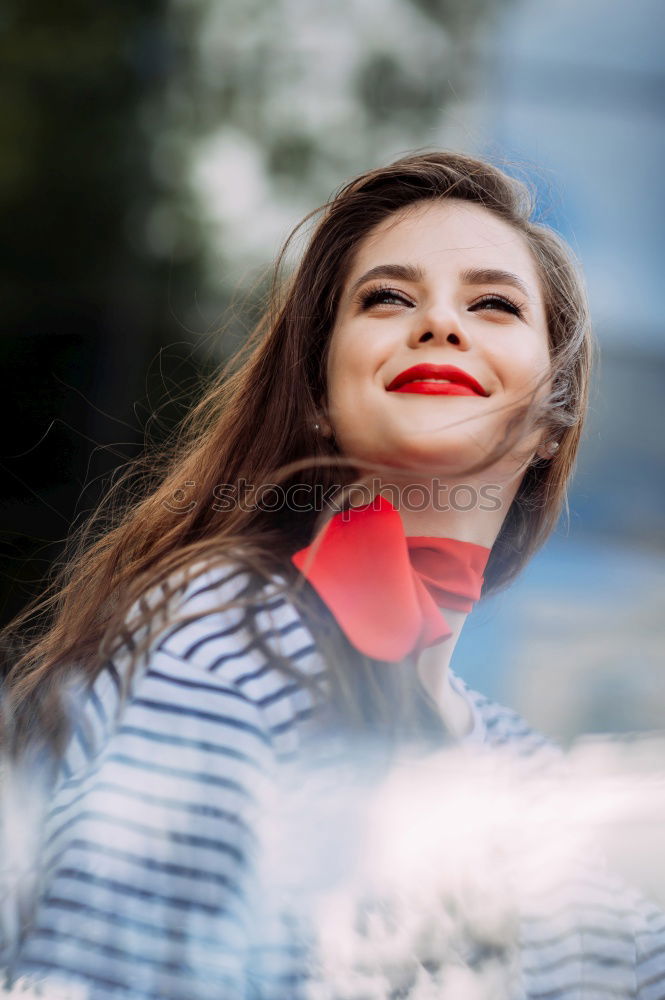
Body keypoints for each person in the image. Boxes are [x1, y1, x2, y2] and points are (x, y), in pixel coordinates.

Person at [2, 151, 664, 999]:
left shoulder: (525, 782)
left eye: (492, 303)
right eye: (387, 297)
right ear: (319, 389)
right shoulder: (223, 621)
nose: (438, 323)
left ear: (551, 416)